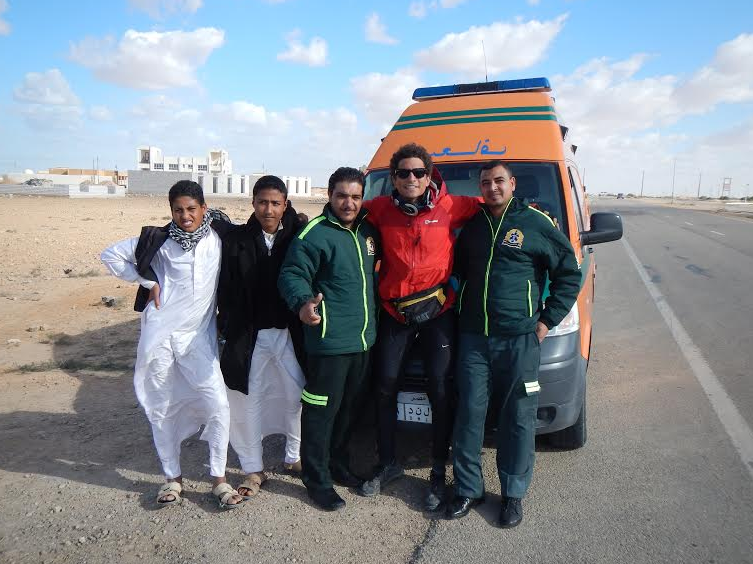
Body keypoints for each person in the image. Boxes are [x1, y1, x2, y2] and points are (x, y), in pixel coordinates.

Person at [447, 161, 581, 527]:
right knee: (469, 416)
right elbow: (458, 273)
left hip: (519, 340)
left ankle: (512, 495)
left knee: (518, 418)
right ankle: (468, 489)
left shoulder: (535, 223)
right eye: (486, 182)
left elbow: (569, 273)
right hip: (474, 339)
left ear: (512, 184)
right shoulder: (472, 227)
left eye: (499, 181)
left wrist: (545, 321)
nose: (492, 187)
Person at [100, 180, 243, 510]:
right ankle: (172, 478)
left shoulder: (218, 239)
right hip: (160, 337)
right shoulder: (160, 240)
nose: (185, 216)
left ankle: (219, 480)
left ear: (204, 209)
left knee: (218, 405)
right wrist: (148, 282)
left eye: (192, 209)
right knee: (162, 406)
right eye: (178, 210)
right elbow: (111, 255)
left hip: (198, 341)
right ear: (171, 211)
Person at [358, 143, 479, 511]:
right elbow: (342, 214)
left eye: (418, 172)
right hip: (395, 314)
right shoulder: (378, 208)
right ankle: (387, 463)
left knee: (440, 391)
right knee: (384, 389)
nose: (411, 179)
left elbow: (497, 209)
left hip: (438, 313)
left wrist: (533, 214)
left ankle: (439, 472)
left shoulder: (452, 205)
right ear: (393, 178)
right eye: (403, 173)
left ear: (430, 176)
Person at [278, 167, 380, 511]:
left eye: (355, 196)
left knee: (349, 411)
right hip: (329, 343)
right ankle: (317, 480)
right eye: (341, 196)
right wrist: (303, 304)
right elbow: (291, 275)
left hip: (364, 341)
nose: (348, 203)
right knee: (321, 414)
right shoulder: (314, 234)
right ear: (330, 196)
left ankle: (338, 465)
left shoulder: (368, 231)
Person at [217, 175, 307, 500]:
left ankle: (293, 457)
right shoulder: (236, 241)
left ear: (285, 205)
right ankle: (253, 468)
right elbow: (225, 290)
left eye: (275, 203)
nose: (268, 209)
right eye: (262, 202)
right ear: (253, 203)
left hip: (287, 334)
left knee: (297, 394)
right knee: (249, 400)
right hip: (250, 336)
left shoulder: (297, 238)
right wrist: (226, 326)